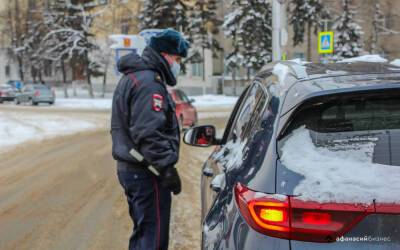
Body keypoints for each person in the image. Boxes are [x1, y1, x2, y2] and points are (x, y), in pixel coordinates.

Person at [111, 28, 189, 250]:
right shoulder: (149, 83)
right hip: (146, 172)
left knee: (144, 233)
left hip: (135, 170)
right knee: (152, 238)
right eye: (177, 58)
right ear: (165, 55)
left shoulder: (137, 77)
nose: (178, 64)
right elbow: (148, 132)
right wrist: (166, 168)